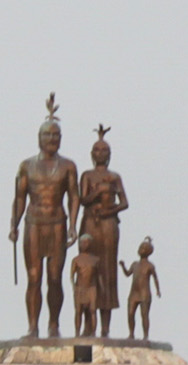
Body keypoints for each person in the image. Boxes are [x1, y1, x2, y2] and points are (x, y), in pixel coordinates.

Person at [8, 98, 81, 338]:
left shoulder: (68, 166)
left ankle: (53, 324)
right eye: (48, 135)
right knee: (34, 277)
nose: (52, 139)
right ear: (39, 138)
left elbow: (73, 196)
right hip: (34, 224)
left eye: (56, 135)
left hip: (57, 223)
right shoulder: (27, 166)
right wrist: (14, 225)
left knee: (54, 277)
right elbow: (20, 198)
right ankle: (32, 326)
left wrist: (72, 225)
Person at [73, 126, 129, 338]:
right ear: (91, 154)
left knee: (107, 271)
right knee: (87, 270)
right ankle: (88, 324)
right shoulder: (87, 176)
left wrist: (108, 211)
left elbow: (124, 203)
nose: (100, 154)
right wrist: (98, 192)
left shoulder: (115, 177)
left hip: (108, 227)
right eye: (97, 150)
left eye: (104, 150)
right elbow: (83, 199)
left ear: (110, 155)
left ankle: (105, 325)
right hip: (90, 224)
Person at [124, 238, 161, 342]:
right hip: (134, 292)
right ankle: (131, 333)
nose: (141, 250)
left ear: (149, 252)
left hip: (144, 293)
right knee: (130, 313)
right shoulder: (135, 264)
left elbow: (155, 278)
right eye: (140, 247)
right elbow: (128, 273)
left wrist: (158, 290)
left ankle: (145, 335)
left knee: (144, 314)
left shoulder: (150, 266)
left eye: (144, 248)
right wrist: (123, 266)